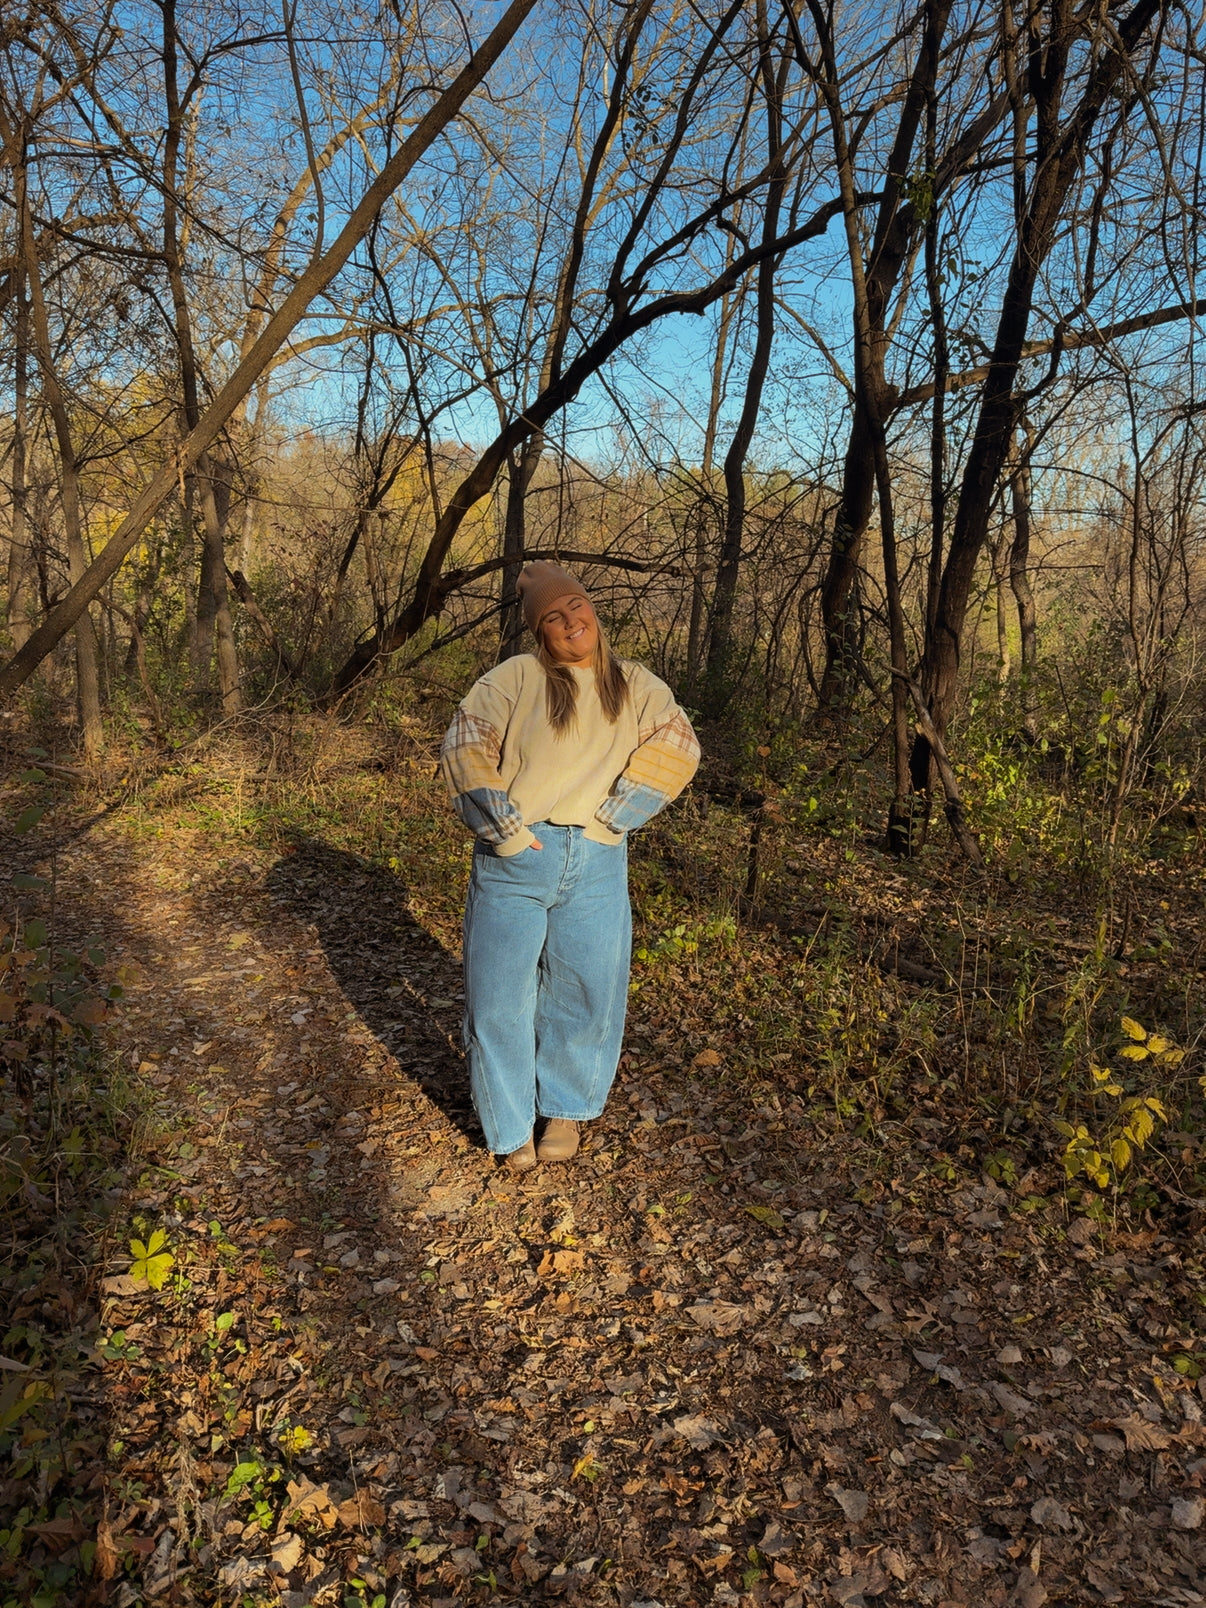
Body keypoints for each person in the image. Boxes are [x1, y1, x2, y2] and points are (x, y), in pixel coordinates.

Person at [440, 561, 700, 1171]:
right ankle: (509, 1126)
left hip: (597, 860)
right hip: (515, 863)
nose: (570, 621)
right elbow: (464, 745)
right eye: (553, 617)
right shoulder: (513, 679)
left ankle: (564, 1108)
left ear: (593, 611)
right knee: (499, 999)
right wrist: (504, 834)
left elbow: (678, 743)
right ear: (539, 631)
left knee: (587, 990)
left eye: (576, 607)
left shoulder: (635, 684)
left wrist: (614, 819)